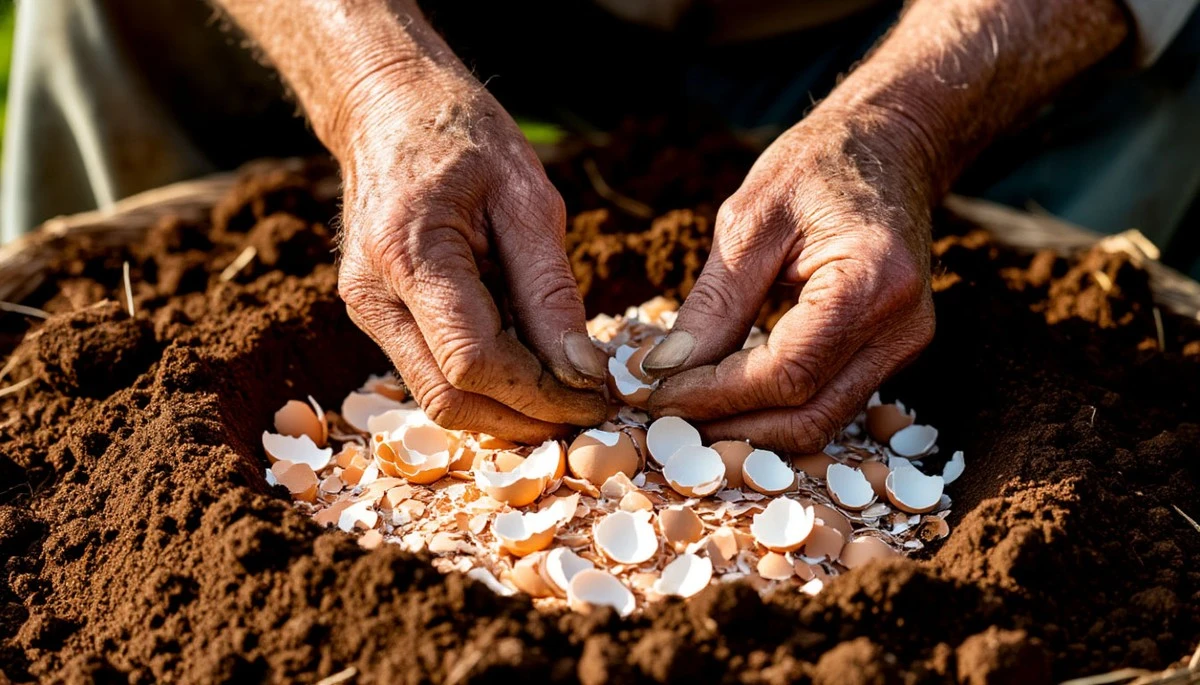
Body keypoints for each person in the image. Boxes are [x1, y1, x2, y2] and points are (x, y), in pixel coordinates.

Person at [3, 0, 1197, 449]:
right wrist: (371, 75)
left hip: (899, 24)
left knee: (1160, 85)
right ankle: (87, 394)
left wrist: (903, 125)